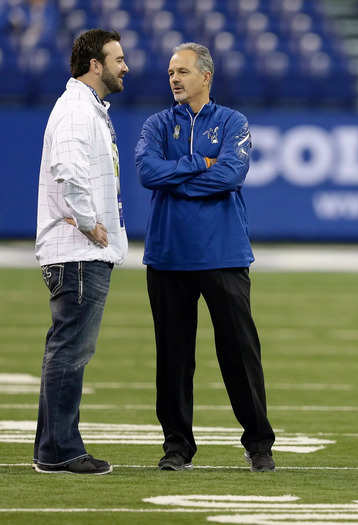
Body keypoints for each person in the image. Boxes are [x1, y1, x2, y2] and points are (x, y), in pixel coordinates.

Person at [135, 42, 275, 472]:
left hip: (224, 254)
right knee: (173, 358)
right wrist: (200, 164)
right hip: (168, 256)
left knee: (239, 353)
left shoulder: (233, 121)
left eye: (182, 71)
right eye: (170, 71)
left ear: (206, 76)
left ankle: (258, 445)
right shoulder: (157, 123)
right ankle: (177, 448)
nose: (174, 78)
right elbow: (146, 172)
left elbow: (232, 174)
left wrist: (176, 178)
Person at [33, 29, 129, 475]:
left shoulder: (83, 107)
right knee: (70, 351)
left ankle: (52, 446)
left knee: (66, 348)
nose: (124, 66)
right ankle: (61, 450)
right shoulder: (75, 109)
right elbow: (67, 170)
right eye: (117, 58)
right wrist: (91, 225)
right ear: (96, 64)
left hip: (77, 250)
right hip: (76, 250)